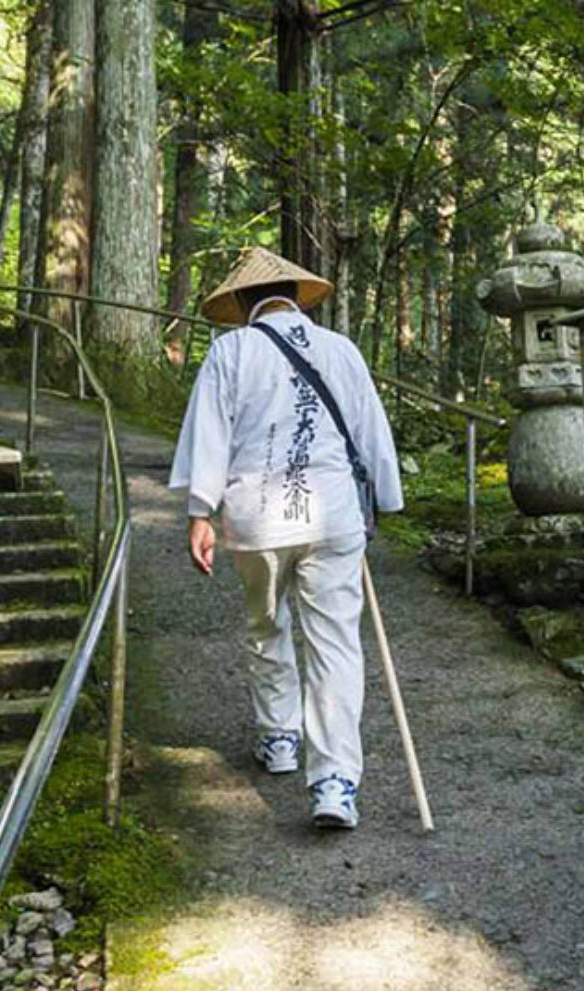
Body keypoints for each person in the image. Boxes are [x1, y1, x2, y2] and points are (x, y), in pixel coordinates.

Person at [169, 248, 402, 829]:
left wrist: (201, 512)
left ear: (244, 304)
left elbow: (209, 433)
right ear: (296, 297)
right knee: (336, 645)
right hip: (334, 517)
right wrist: (387, 503)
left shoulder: (230, 351)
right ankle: (334, 783)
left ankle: (278, 738)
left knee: (265, 622)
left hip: (255, 518)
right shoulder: (340, 350)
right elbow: (372, 431)